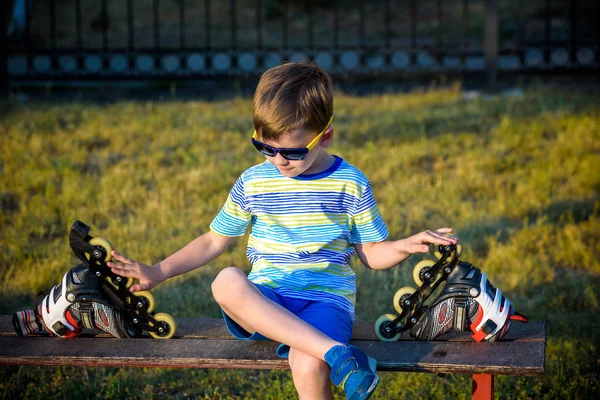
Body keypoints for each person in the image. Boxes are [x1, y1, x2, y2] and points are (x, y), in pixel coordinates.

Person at [107, 62, 458, 400]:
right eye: (265, 147)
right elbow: (215, 240)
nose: (278, 160)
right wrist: (158, 271)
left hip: (326, 300)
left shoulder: (349, 184)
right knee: (225, 281)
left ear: (326, 137)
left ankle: (329, 354)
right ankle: (339, 354)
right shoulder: (254, 181)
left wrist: (404, 245)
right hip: (267, 300)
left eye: (290, 151)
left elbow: (371, 253)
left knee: (306, 362)